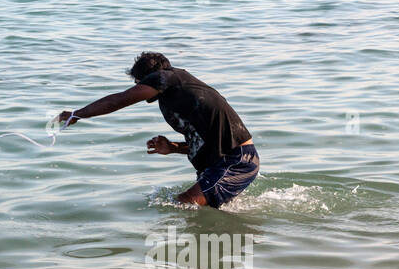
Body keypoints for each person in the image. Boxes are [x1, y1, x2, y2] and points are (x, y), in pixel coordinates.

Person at [56, 51, 259, 209]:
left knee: (183, 203)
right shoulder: (179, 93)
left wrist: (77, 114)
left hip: (236, 159)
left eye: (138, 83)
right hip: (222, 160)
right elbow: (213, 137)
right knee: (200, 214)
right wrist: (173, 147)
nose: (138, 89)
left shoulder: (167, 78)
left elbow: (117, 101)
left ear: (148, 78)